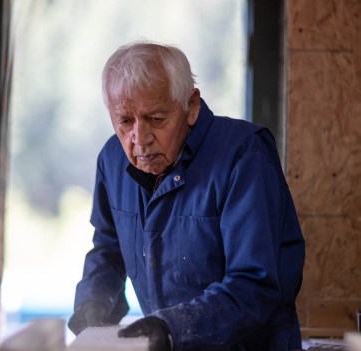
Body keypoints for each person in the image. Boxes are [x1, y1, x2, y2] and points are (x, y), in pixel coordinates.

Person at [68, 41, 305, 351]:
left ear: (191, 106)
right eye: (124, 121)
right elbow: (109, 249)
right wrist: (92, 303)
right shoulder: (113, 160)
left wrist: (171, 328)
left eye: (156, 118)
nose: (140, 139)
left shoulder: (243, 154)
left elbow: (254, 284)